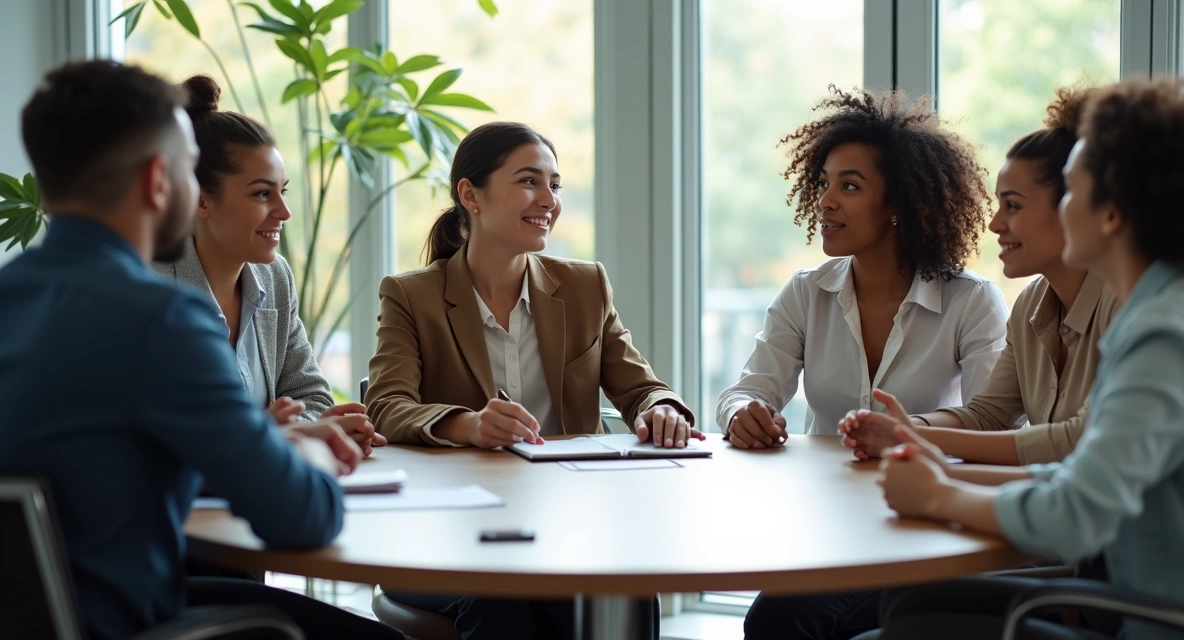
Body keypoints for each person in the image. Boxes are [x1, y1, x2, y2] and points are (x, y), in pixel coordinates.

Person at [0, 60, 403, 640]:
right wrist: (308, 452)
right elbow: (304, 516)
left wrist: (266, 439)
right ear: (158, 181)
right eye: (192, 170)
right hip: (129, 619)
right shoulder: (159, 318)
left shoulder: (13, 297)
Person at [859, 76, 1184, 640]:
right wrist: (946, 470)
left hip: (1155, 624)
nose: (997, 222)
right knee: (910, 605)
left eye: (1071, 192)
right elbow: (1085, 471)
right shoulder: (1172, 308)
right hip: (1128, 601)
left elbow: (1077, 515)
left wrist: (940, 494)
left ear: (1112, 214)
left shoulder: (1163, 334)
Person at [366, 121, 686, 638]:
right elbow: (387, 404)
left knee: (625, 581)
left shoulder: (585, 285)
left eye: (554, 185)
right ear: (470, 194)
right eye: (529, 181)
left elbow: (640, 387)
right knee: (502, 592)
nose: (548, 200)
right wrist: (468, 425)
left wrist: (661, 408)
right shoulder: (411, 295)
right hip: (451, 530)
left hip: (570, 516)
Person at [724, 86, 1008, 640]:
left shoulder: (971, 301)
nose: (826, 201)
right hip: (826, 522)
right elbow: (749, 389)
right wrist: (744, 412)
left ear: (901, 204)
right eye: (824, 183)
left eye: (849, 186)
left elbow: (992, 423)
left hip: (926, 521)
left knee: (789, 620)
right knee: (779, 619)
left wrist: (910, 437)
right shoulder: (807, 293)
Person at [840, 87, 1118, 467]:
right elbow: (988, 415)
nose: (994, 224)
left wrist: (920, 448)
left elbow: (1078, 443)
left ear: (1075, 204)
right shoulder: (1032, 304)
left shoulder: (1126, 305)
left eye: (1013, 206)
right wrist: (904, 428)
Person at [153, 74, 383, 455]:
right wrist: (266, 433)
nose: (284, 211)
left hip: (259, 494)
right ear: (200, 200)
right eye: (262, 193)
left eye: (283, 191)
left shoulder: (273, 277)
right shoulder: (151, 288)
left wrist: (306, 429)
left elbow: (312, 397)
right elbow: (159, 434)